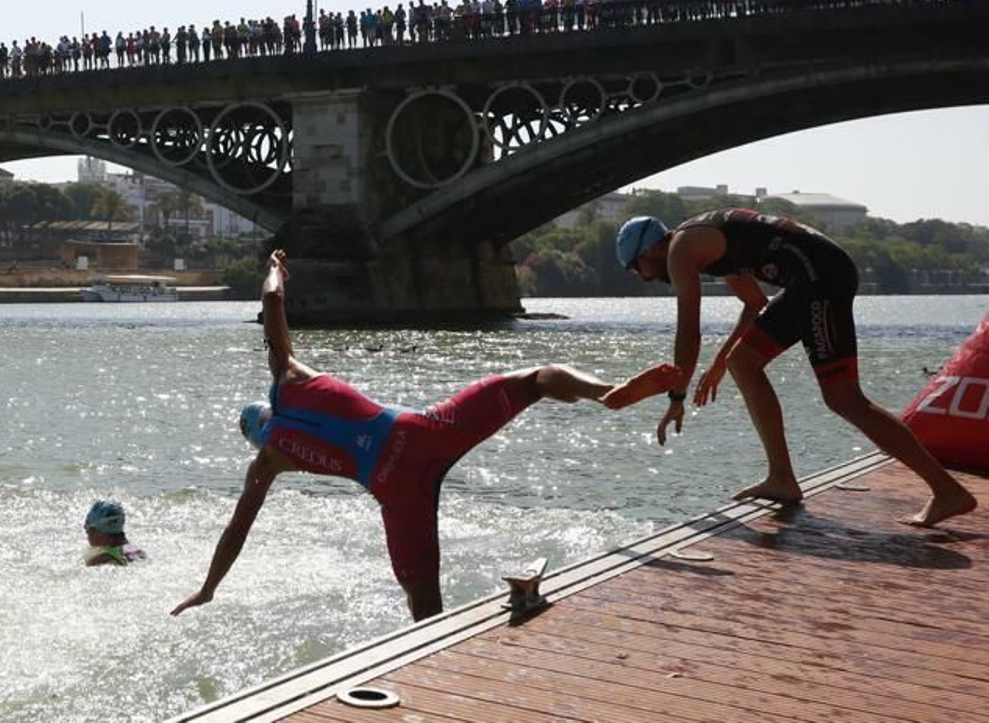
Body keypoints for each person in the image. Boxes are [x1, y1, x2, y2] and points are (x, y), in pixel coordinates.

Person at [172, 250, 680, 621]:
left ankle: (441, 671)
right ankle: (610, 394)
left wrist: (208, 588)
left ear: (258, 438)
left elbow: (236, 531)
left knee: (423, 604)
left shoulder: (267, 464)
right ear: (265, 406)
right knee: (537, 379)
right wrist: (276, 267)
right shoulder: (288, 376)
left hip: (394, 491)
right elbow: (271, 300)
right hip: (420, 434)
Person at [616, 209, 977, 527]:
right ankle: (782, 477)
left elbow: (688, 333)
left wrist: (676, 396)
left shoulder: (680, 250)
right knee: (744, 363)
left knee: (844, 398)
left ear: (648, 251)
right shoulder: (704, 239)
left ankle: (946, 491)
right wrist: (719, 364)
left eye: (637, 269)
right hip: (815, 276)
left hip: (819, 279)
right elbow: (754, 302)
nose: (644, 278)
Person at [83, 499, 146, 566]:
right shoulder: (138, 553)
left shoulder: (101, 560)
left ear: (99, 534)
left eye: (88, 531)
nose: (88, 537)